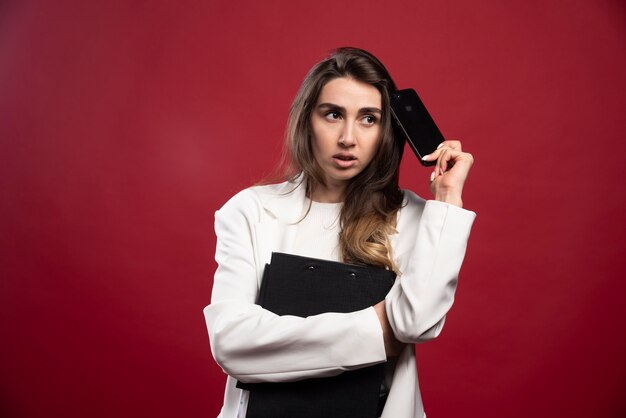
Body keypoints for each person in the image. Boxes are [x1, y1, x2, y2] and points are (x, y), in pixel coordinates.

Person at [203, 47, 476, 418]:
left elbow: (416, 323)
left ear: (386, 130)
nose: (348, 137)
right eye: (333, 114)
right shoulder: (250, 211)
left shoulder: (413, 216)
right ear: (307, 120)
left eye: (368, 119)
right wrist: (376, 329)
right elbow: (232, 343)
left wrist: (447, 200)